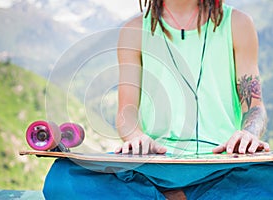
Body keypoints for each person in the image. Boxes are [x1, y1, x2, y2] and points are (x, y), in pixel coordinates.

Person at [43, 0, 273, 199]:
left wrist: (249, 133)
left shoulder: (237, 24)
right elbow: (127, 111)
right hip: (156, 164)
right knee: (62, 179)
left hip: (223, 164)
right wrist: (136, 136)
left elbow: (254, 106)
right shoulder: (133, 30)